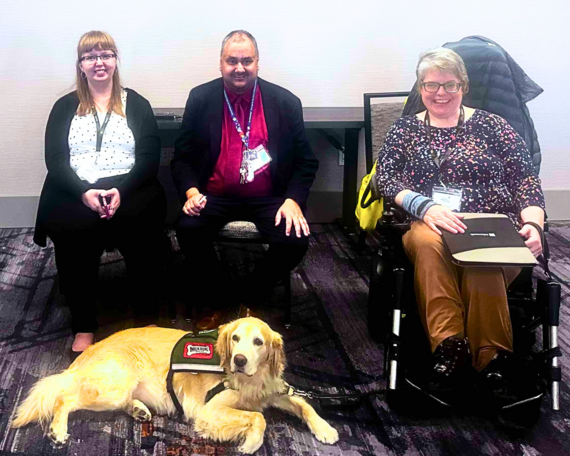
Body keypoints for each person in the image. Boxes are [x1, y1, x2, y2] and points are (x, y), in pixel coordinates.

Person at [376, 48, 545, 406]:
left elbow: (526, 181)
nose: (440, 93)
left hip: (492, 226)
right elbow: (386, 180)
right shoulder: (405, 129)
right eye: (431, 85)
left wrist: (533, 224)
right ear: (420, 88)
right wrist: (424, 206)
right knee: (427, 244)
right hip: (428, 223)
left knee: (481, 261)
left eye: (449, 84)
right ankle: (450, 349)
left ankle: (491, 361)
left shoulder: (495, 126)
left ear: (463, 86)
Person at [171, 30, 318, 331]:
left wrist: (292, 201)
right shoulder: (200, 98)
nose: (239, 68)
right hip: (213, 195)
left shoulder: (285, 102)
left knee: (295, 238)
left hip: (268, 196)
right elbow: (181, 158)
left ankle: (247, 297)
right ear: (221, 63)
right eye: (232, 61)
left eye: (247, 61)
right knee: (188, 229)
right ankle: (221, 298)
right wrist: (191, 193)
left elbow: (306, 161)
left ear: (258, 63)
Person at [34, 31, 167, 356]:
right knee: (73, 231)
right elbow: (55, 159)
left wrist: (120, 191)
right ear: (81, 65)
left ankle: (146, 318)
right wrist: (84, 194)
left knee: (144, 229)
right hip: (76, 188)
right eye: (90, 56)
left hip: (129, 185)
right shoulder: (64, 106)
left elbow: (150, 157)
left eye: (105, 54)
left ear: (115, 60)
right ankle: (84, 324)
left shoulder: (137, 103)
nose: (99, 62)